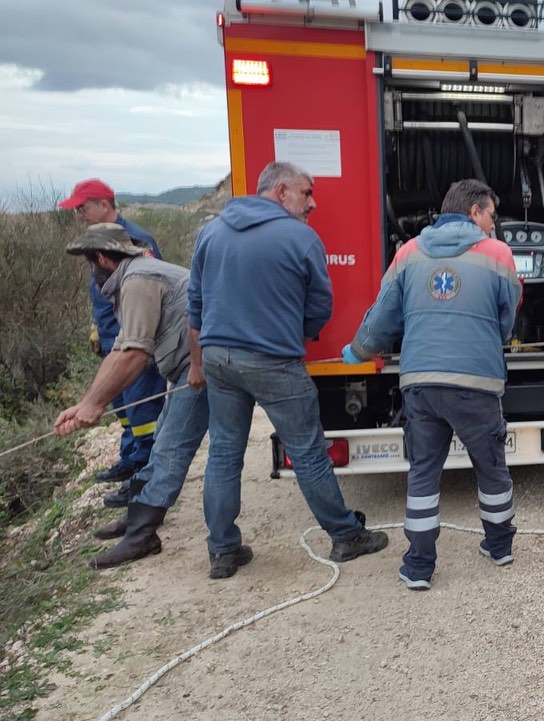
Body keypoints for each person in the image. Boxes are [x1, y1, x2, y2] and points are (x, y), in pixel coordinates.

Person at [188, 161, 388, 580]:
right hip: (274, 362)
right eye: (307, 192)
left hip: (218, 359)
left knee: (224, 453)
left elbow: (196, 307)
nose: (312, 203)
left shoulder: (212, 232)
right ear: (281, 191)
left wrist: (197, 364)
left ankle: (222, 551)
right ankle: (345, 535)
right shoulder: (300, 237)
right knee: (308, 451)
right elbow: (320, 305)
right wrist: (296, 335)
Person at [342, 179, 522, 591]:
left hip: (420, 383)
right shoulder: (499, 254)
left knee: (423, 473)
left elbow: (383, 315)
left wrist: (359, 349)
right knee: (491, 468)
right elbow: (507, 316)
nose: (493, 225)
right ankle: (499, 547)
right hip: (476, 381)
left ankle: (419, 566)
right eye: (491, 215)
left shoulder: (408, 252)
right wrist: (488, 338)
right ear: (474, 212)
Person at [52, 223, 209, 569]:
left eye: (89, 261)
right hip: (188, 366)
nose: (89, 270)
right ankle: (137, 517)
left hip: (201, 369)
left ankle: (141, 535)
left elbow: (135, 354)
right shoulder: (133, 277)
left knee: (171, 449)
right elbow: (119, 350)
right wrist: (86, 403)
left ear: (102, 258)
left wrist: (94, 405)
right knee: (164, 438)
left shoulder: (138, 280)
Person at [58, 179, 167, 508]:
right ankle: (129, 458)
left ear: (104, 205)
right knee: (124, 407)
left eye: (82, 208)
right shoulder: (98, 240)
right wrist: (97, 328)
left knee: (143, 409)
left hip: (135, 343)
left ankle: (144, 476)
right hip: (112, 339)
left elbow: (147, 291)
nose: (78, 215)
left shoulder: (133, 239)